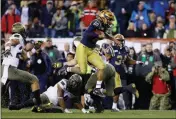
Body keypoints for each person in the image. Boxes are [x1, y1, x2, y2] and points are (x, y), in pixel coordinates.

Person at [1, 23, 44, 112]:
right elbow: (9, 42)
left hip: (6, 68)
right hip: (9, 69)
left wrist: (34, 49)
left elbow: (25, 56)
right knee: (34, 79)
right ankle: (39, 105)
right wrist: (7, 49)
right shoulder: (17, 37)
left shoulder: (19, 43)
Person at [9, 74, 90, 113]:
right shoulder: (64, 81)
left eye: (76, 83)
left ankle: (40, 108)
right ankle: (18, 106)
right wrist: (65, 109)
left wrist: (83, 110)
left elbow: (76, 101)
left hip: (53, 103)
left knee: (59, 111)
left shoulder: (73, 91)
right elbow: (60, 96)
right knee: (37, 99)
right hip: (48, 95)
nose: (74, 84)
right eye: (74, 82)